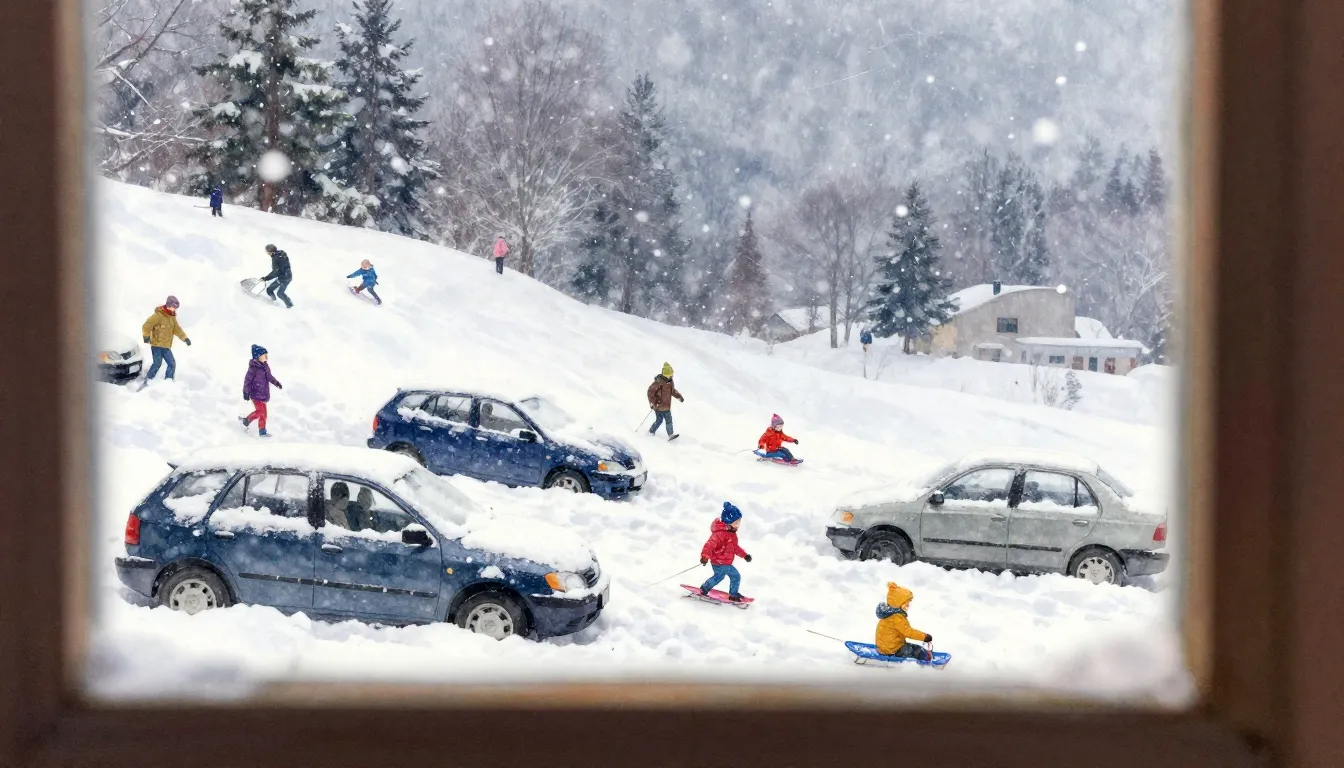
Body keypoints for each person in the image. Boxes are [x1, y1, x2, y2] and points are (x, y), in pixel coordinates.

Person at [698, 502, 752, 602]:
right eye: (736, 522)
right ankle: (705, 588)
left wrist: (745, 555)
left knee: (733, 576)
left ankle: (732, 594)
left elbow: (735, 548)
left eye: (739, 522)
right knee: (720, 577)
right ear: (728, 522)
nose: (738, 525)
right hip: (718, 562)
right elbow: (709, 545)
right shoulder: (719, 534)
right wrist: (705, 556)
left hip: (726, 563)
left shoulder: (732, 534)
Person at [874, 582, 933, 660]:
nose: (908, 605)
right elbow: (908, 632)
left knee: (910, 647)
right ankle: (927, 659)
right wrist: (924, 637)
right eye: (906, 603)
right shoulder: (897, 618)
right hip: (892, 649)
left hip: (884, 647)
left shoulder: (889, 613)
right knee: (917, 650)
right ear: (898, 603)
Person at [140, 295, 191, 381]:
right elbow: (146, 325)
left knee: (172, 364)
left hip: (166, 346)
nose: (175, 309)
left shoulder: (172, 317)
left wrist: (185, 338)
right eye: (174, 307)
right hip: (156, 345)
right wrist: (146, 336)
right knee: (157, 363)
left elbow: (177, 329)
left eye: (176, 308)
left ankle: (168, 381)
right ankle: (147, 380)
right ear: (169, 305)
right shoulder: (158, 315)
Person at [239, 344, 283, 437]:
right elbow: (247, 380)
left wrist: (276, 383)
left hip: (263, 394)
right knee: (260, 411)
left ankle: (262, 431)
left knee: (264, 414)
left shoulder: (265, 367)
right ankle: (246, 421)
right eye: (264, 355)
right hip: (255, 394)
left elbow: (269, 377)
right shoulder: (253, 368)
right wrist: (246, 392)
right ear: (258, 357)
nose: (266, 357)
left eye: (267, 355)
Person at [646, 362, 684, 438]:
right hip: (658, 405)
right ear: (665, 375)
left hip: (666, 406)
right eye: (670, 375)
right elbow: (650, 392)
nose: (671, 376)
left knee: (663, 420)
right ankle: (668, 434)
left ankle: (653, 431)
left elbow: (672, 391)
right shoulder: (658, 383)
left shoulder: (670, 382)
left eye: (671, 374)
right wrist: (652, 403)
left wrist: (679, 396)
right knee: (664, 420)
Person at [261, 244, 293, 308]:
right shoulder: (282, 253)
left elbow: (275, 272)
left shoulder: (275, 259)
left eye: (268, 253)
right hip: (288, 276)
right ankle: (290, 305)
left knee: (270, 290)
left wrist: (266, 278)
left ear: (272, 252)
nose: (268, 254)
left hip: (282, 278)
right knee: (280, 293)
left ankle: (273, 303)